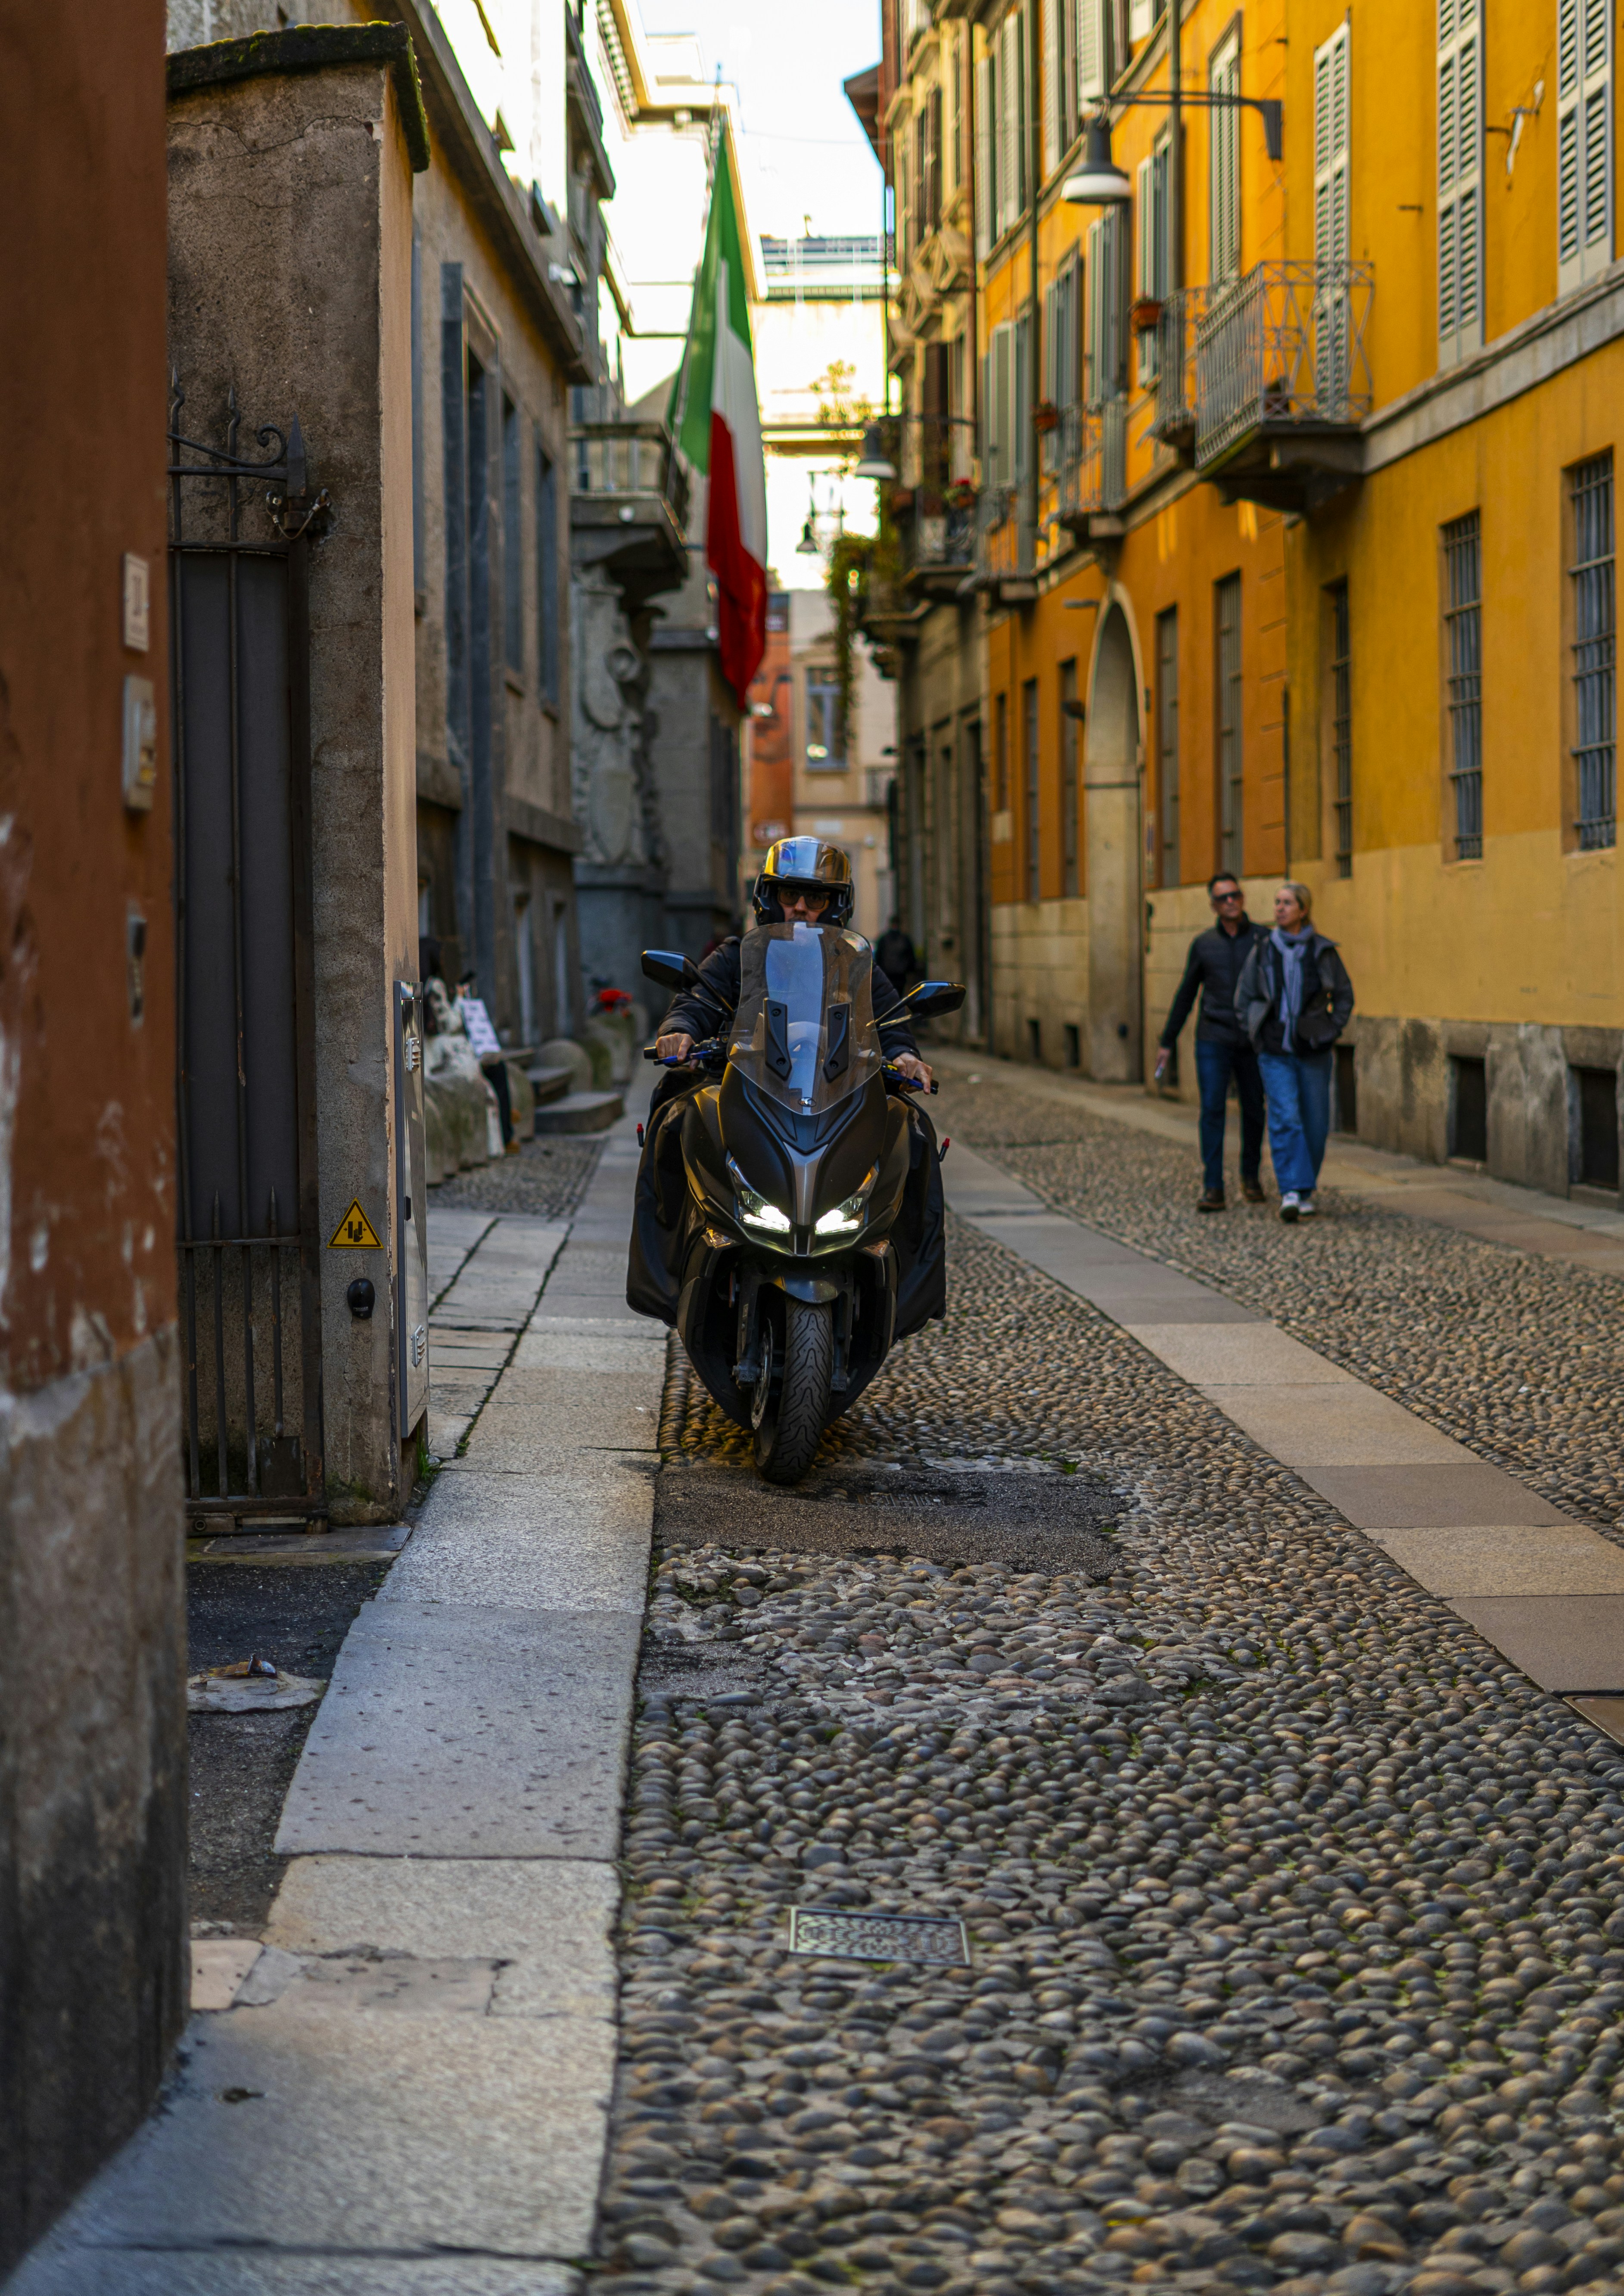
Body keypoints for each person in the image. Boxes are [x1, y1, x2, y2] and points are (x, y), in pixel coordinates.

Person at [653, 838, 933, 1097]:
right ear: (771, 900)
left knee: (910, 1127)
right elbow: (698, 1001)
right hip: (743, 1089)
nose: (800, 908)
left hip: (836, 1093)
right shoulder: (734, 958)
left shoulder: (854, 963)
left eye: (814, 899)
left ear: (833, 906)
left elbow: (888, 1018)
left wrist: (904, 1055)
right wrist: (680, 1030)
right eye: (789, 895)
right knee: (675, 1107)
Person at [1235, 881, 1354, 1223]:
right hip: (1274, 1050)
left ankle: (1305, 1190)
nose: (1279, 909)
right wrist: (1256, 1031)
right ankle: (1290, 1189)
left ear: (1303, 910)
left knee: (1316, 1124)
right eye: (1277, 903)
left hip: (1313, 1049)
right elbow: (1243, 998)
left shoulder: (1323, 951)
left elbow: (1344, 995)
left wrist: (1333, 1028)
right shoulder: (1263, 949)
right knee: (1285, 1117)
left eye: (1287, 903)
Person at [1153, 873, 1268, 1212]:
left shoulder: (1263, 939)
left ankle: (1250, 1177)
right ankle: (1213, 1186)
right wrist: (1167, 1041)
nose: (1230, 901)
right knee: (1213, 1110)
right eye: (1223, 898)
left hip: (1252, 1038)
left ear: (1243, 898)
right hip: (1213, 1037)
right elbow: (1186, 993)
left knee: (1253, 1110)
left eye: (1235, 895)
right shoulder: (1204, 944)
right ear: (1213, 906)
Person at [457, 977, 520, 1154]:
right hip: (451, 1050)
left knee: (498, 1067)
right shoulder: (436, 988)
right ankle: (505, 1127)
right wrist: (459, 1001)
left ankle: (506, 1126)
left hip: (468, 1047)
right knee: (496, 1071)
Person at [875, 912, 919, 998]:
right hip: (901, 975)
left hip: (887, 974)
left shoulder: (884, 939)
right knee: (899, 995)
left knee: (889, 996)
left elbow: (879, 957)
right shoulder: (905, 939)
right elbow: (911, 958)